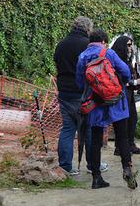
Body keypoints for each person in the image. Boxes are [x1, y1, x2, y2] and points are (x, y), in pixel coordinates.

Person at [76, 29, 137, 190]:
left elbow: (80, 82)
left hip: (95, 104)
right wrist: (117, 84)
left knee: (96, 140)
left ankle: (96, 177)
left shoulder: (82, 56)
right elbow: (125, 72)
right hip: (116, 101)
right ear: (104, 40)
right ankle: (127, 169)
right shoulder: (108, 53)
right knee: (122, 137)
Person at [53, 16, 108, 176]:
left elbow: (57, 64)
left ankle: (65, 166)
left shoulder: (61, 44)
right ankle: (93, 165)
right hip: (84, 94)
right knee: (88, 129)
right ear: (88, 29)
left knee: (68, 129)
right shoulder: (87, 46)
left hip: (64, 93)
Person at [111, 35, 140, 155]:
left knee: (132, 119)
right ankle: (120, 147)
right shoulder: (116, 60)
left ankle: (129, 144)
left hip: (129, 94)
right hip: (121, 94)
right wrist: (135, 82)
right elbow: (120, 79)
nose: (130, 48)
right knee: (123, 121)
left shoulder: (126, 59)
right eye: (128, 45)